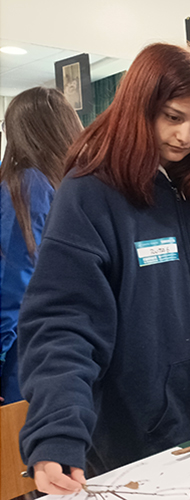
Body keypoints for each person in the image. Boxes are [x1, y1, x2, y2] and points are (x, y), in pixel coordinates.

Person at [18, 43, 190, 494]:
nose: (186, 137)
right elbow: (63, 322)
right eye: (172, 117)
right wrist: (59, 430)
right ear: (139, 107)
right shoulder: (90, 194)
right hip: (131, 441)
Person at [1, 87, 82, 405]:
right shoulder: (83, 185)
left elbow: (13, 282)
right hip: (75, 348)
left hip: (28, 352)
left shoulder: (25, 185)